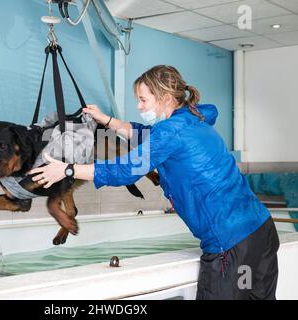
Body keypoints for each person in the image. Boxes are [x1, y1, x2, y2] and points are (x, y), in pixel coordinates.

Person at [29, 65, 280, 300]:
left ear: (166, 97)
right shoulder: (193, 121)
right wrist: (105, 120)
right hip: (261, 232)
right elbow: (144, 135)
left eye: (143, 99)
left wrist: (69, 170)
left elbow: (127, 170)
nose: (138, 106)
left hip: (231, 244)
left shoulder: (171, 131)